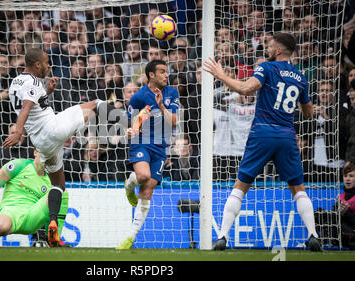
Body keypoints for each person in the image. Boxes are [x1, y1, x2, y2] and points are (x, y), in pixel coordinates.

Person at [203, 32, 321, 251]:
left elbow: (245, 88)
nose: (267, 49)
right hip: (287, 135)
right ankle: (313, 235)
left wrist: (221, 75)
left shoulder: (266, 68)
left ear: (277, 51)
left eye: (270, 46)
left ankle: (222, 236)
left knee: (241, 185)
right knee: (298, 188)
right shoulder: (300, 77)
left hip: (262, 133)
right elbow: (308, 113)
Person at [2, 48, 111, 247]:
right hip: (52, 128)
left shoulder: (16, 82)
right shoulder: (33, 82)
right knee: (97, 104)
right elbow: (26, 106)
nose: (49, 66)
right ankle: (132, 125)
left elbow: (33, 104)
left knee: (58, 185)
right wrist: (18, 132)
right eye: (46, 63)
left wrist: (47, 92)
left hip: (41, 142)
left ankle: (52, 230)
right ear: (37, 65)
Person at [117, 59, 179, 249]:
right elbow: (131, 121)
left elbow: (174, 122)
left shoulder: (172, 93)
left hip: (161, 148)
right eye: (162, 71)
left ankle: (131, 237)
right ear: (151, 75)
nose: (166, 75)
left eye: (166, 71)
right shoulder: (138, 96)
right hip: (141, 143)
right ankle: (129, 186)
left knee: (148, 189)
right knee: (143, 176)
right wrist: (130, 131)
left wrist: (161, 106)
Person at [0, 150, 69, 247]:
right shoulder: (18, 165)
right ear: (35, 152)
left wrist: (46, 230)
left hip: (31, 217)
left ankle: (54, 240)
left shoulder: (51, 179)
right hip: (10, 211)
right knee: (1, 227)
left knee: (61, 191)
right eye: (43, 153)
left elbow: (49, 207)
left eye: (49, 155)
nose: (45, 158)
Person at [314, 162, 355, 249]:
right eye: (345, 176)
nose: (348, 179)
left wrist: (347, 212)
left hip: (351, 232)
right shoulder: (341, 197)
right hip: (341, 231)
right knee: (318, 215)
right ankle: (315, 240)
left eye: (351, 176)